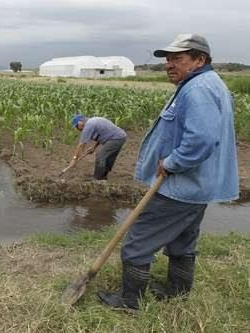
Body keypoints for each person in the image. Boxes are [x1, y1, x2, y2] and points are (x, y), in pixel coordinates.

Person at [98, 34, 239, 310]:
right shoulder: (209, 84)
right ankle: (177, 291)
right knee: (183, 241)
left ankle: (130, 301)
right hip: (198, 186)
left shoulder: (197, 88)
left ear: (200, 60)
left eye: (178, 58)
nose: (169, 65)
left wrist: (173, 162)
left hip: (180, 185)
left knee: (138, 242)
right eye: (168, 59)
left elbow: (201, 138)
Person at [61, 114, 127, 180]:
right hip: (120, 137)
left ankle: (98, 178)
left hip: (116, 138)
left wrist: (74, 159)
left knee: (100, 156)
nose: (77, 129)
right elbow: (102, 135)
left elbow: (81, 145)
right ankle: (103, 176)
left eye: (76, 126)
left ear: (80, 122)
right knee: (108, 157)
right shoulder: (93, 121)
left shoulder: (88, 125)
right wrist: (93, 147)